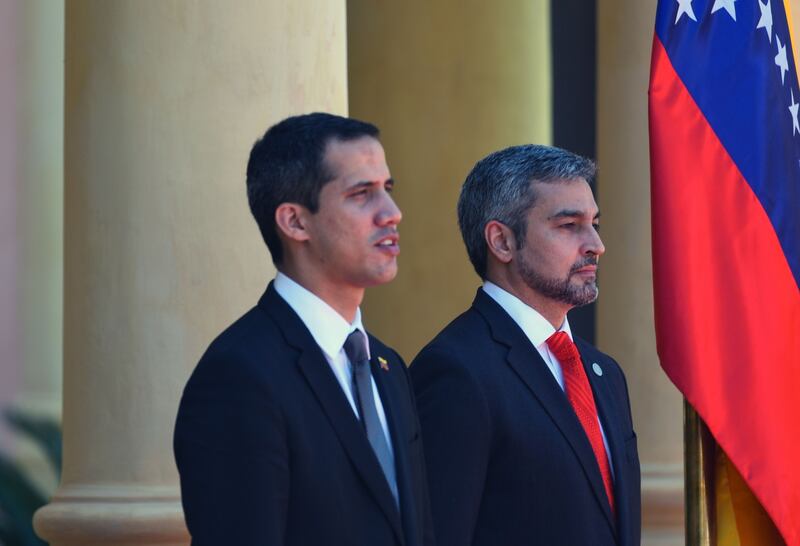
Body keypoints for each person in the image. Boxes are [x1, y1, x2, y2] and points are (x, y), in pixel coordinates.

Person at [174, 113, 434, 546]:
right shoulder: (238, 376)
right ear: (295, 222)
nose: (392, 213)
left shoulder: (389, 368)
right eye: (361, 194)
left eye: (387, 190)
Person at [410, 145, 641, 546]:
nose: (595, 245)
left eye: (595, 224)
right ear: (501, 242)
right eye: (569, 225)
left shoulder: (605, 373)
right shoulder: (455, 371)